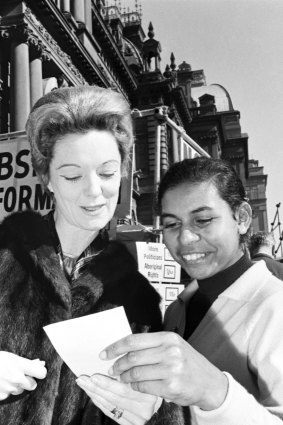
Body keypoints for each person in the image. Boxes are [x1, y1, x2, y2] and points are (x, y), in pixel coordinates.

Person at [0, 85, 170, 425]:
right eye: (72, 175)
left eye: (106, 173)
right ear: (47, 177)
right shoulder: (5, 256)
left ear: (122, 171)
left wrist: (148, 413)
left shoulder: (139, 298)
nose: (94, 191)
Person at [80, 157, 283, 424]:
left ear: (242, 218)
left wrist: (215, 391)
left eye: (203, 219)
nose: (186, 238)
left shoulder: (274, 307)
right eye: (172, 224)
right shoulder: (177, 309)